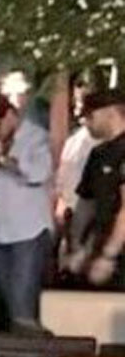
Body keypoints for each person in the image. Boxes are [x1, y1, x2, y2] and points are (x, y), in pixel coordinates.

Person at [0, 95, 54, 330]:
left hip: (29, 230)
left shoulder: (36, 137)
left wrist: (4, 160)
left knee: (22, 302)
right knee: (10, 303)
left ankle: (29, 354)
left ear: (10, 115)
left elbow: (38, 173)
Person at [71, 90, 125, 287]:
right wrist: (78, 246)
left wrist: (110, 253)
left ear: (110, 113)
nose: (86, 122)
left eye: (91, 116)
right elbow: (87, 203)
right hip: (99, 246)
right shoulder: (98, 154)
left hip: (115, 252)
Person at [57, 75, 102, 267]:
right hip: (71, 212)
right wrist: (61, 202)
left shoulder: (102, 142)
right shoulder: (74, 140)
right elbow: (65, 174)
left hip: (93, 213)